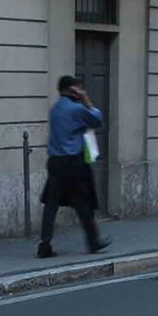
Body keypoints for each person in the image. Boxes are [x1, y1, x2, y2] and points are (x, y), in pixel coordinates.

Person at [37, 74, 110, 259]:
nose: (80, 91)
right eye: (78, 88)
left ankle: (44, 244)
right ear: (71, 90)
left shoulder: (55, 110)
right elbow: (98, 120)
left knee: (51, 204)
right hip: (73, 162)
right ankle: (93, 241)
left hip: (55, 162)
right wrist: (86, 100)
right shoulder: (76, 109)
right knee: (83, 202)